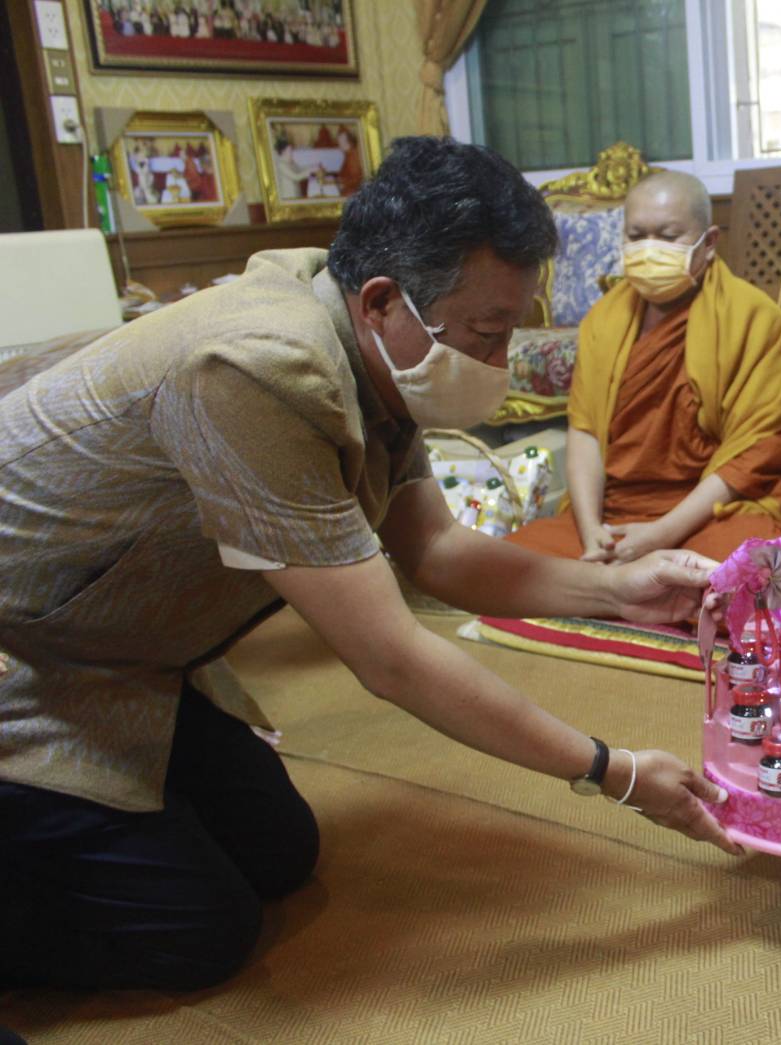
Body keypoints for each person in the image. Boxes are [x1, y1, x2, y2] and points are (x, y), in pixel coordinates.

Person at [0, 137, 739, 994]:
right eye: (488, 335)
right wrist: (612, 771)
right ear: (385, 300)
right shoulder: (256, 368)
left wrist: (618, 591)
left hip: (126, 652)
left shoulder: (368, 334)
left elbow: (433, 550)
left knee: (281, 852)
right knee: (201, 932)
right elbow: (389, 656)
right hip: (29, 656)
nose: (497, 367)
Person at [506, 170, 781, 587]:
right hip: (616, 517)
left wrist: (661, 534)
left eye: (668, 236)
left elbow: (758, 453)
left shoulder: (753, 319)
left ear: (709, 243)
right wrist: (592, 534)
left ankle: (615, 591)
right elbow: (584, 433)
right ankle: (619, 585)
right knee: (513, 566)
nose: (648, 249)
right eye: (636, 236)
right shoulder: (604, 320)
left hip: (712, 514)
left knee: (769, 579)